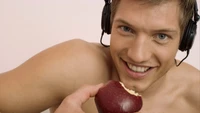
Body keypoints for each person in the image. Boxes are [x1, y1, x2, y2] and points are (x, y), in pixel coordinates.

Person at [0, 0, 199, 113]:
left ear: (184, 39)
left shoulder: (195, 98)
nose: (137, 55)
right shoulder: (77, 66)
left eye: (161, 36)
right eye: (126, 29)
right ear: (108, 23)